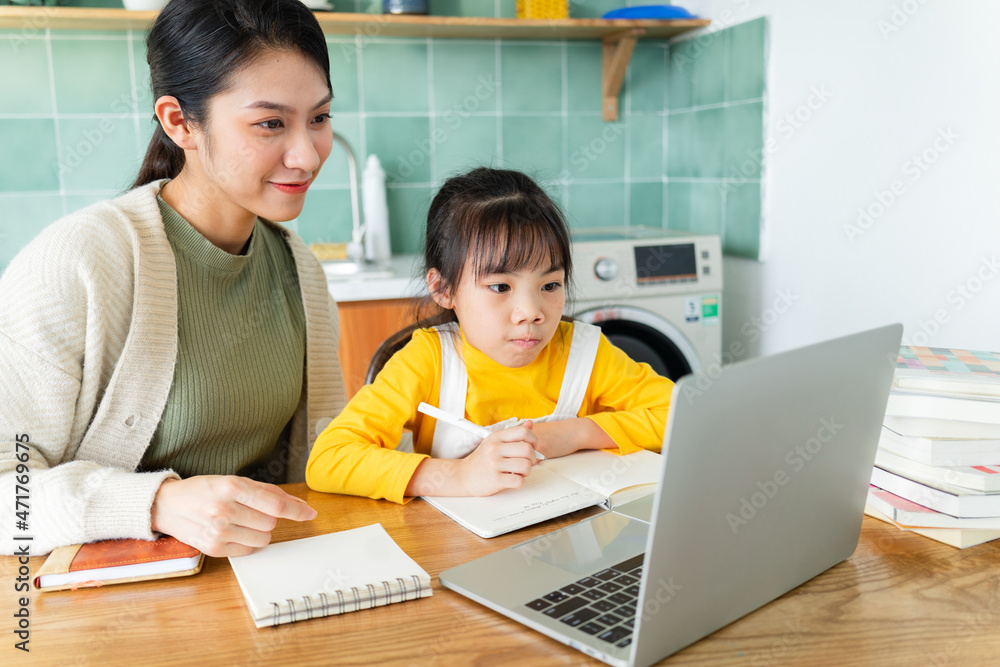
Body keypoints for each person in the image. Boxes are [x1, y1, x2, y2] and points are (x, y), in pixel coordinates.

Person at [0, 0, 346, 557]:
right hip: (108, 615)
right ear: (179, 121)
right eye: (270, 124)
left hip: (265, 581)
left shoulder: (299, 270)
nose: (306, 155)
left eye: (320, 118)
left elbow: (328, 454)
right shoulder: (76, 263)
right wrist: (156, 503)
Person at [306, 167, 673, 502]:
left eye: (550, 285)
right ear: (444, 289)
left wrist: (571, 434)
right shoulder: (428, 362)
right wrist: (458, 475)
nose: (531, 312)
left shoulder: (587, 354)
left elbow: (676, 413)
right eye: (500, 287)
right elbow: (329, 459)